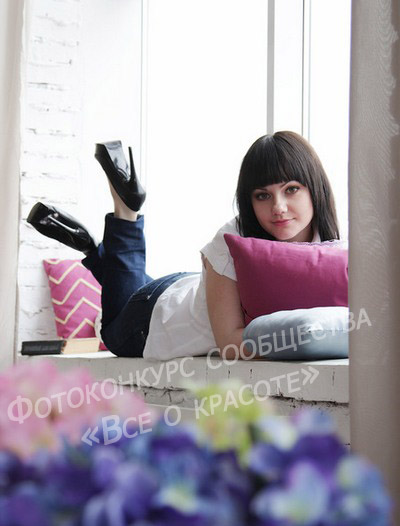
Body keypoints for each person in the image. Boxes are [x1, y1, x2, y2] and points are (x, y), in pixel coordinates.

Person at [27, 132, 340, 361]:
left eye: (291, 189)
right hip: (151, 319)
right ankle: (125, 216)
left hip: (188, 289)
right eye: (263, 195)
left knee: (126, 278)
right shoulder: (231, 240)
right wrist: (303, 343)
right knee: (110, 332)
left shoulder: (335, 248)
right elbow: (230, 344)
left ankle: (96, 251)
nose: (279, 207)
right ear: (249, 201)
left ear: (315, 188)